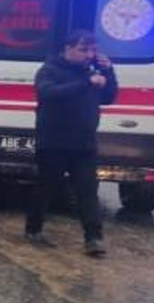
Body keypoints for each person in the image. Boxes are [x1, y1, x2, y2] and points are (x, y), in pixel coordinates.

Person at [26, 30, 116, 256]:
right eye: (83, 49)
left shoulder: (92, 71)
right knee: (46, 188)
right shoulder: (50, 70)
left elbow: (108, 97)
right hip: (54, 142)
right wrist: (86, 83)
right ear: (67, 49)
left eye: (92, 50)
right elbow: (49, 92)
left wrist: (108, 72)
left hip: (84, 144)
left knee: (87, 191)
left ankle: (94, 238)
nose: (89, 55)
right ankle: (33, 229)